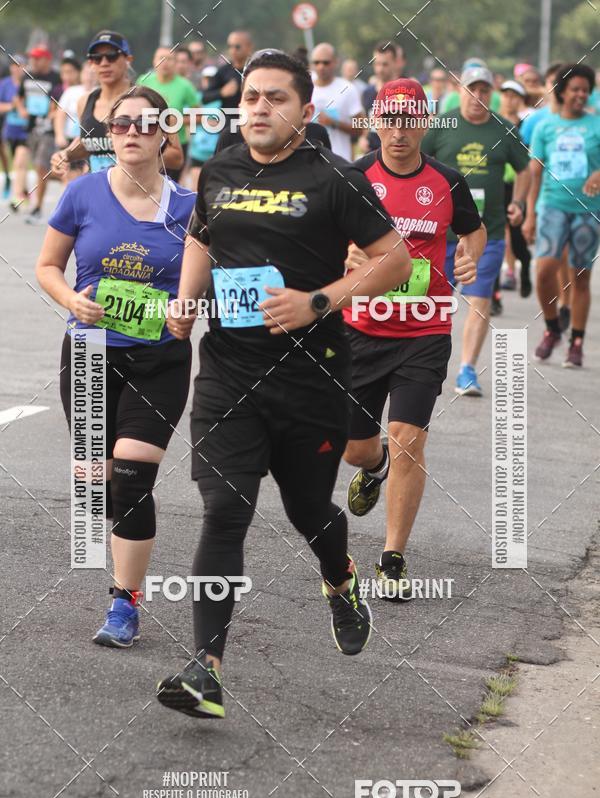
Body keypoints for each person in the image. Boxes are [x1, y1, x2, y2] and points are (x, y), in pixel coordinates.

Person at [155, 49, 411, 720]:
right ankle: (206, 670)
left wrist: (318, 302)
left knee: (308, 512)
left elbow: (396, 261)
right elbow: (201, 238)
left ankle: (340, 578)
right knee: (225, 509)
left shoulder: (336, 178)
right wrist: (187, 299)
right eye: (251, 97)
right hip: (229, 374)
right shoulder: (220, 168)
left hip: (313, 378)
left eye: (275, 98)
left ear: (306, 110)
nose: (259, 108)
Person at [36, 87, 195, 647]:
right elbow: (48, 266)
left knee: (130, 481)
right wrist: (70, 299)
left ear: (163, 135)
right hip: (88, 354)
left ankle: (124, 604)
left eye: (144, 123)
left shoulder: (189, 209)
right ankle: (100, 494)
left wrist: (187, 310)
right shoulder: (82, 194)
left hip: (159, 360)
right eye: (121, 123)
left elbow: (210, 288)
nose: (131, 131)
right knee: (94, 486)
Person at [342, 79, 485, 598]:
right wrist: (346, 256)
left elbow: (473, 228)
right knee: (355, 450)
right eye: (390, 120)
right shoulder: (354, 176)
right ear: (375, 121)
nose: (398, 132)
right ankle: (372, 465)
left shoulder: (447, 180)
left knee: (409, 438)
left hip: (424, 329)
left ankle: (392, 557)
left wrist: (469, 255)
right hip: (359, 329)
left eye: (409, 121)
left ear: (425, 124)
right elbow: (325, 232)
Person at [422, 66, 529, 396]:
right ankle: (423, 365)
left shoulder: (504, 129)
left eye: (484, 90)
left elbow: (525, 169)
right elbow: (417, 162)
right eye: (472, 89)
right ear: (461, 90)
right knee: (433, 302)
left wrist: (520, 203)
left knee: (479, 300)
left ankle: (467, 369)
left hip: (488, 232)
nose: (478, 96)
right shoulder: (442, 125)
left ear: (491, 92)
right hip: (442, 234)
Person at [523, 64, 600, 368]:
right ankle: (553, 327)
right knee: (544, 271)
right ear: (562, 92)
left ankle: (577, 341)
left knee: (581, 277)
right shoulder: (545, 126)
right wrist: (530, 215)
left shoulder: (597, 125)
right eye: (575, 89)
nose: (580, 95)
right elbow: (535, 172)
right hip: (552, 206)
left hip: (588, 209)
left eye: (585, 90)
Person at [51, 31, 183, 179]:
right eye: (97, 58)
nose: (104, 63)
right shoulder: (85, 101)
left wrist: (142, 157)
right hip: (100, 190)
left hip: (138, 191)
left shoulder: (149, 101)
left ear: (128, 59)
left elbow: (176, 157)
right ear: (91, 64)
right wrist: (66, 155)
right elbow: (90, 143)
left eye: (112, 56)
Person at [137, 46, 199, 182]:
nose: (165, 63)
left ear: (176, 63)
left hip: (175, 144)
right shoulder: (143, 80)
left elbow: (199, 115)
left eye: (169, 59)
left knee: (169, 186)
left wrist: (174, 121)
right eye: (161, 58)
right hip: (146, 140)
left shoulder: (185, 86)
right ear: (154, 61)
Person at [15, 46, 62, 224]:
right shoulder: (27, 76)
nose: (33, 61)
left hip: (48, 130)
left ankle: (37, 208)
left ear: (47, 60)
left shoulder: (55, 78)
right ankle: (65, 176)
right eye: (32, 58)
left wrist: (53, 113)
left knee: (41, 166)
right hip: (31, 129)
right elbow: (18, 97)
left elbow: (59, 100)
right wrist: (21, 110)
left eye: (37, 58)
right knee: (38, 167)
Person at [498, 80, 532, 298]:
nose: (510, 99)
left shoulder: (526, 125)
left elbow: (529, 161)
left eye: (514, 96)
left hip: (517, 187)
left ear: (520, 100)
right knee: (493, 239)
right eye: (506, 95)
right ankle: (494, 294)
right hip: (495, 186)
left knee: (517, 239)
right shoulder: (493, 122)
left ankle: (525, 268)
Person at [310, 43, 363, 160]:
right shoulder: (304, 87)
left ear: (335, 62)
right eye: (316, 62)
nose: (321, 67)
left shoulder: (347, 89)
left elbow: (361, 127)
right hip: (310, 162)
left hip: (339, 160)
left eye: (326, 62)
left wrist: (334, 123)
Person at [0, 54, 28, 207]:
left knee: (19, 162)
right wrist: (12, 106)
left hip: (27, 131)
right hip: (11, 130)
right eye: (14, 65)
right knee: (17, 163)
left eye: (20, 65)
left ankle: (17, 197)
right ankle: (24, 191)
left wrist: (24, 108)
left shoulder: (30, 83)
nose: (17, 69)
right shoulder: (4, 84)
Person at [361, 43, 399, 153]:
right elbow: (366, 122)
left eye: (385, 64)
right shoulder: (367, 92)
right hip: (372, 153)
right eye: (377, 64)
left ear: (395, 63)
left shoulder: (406, 91)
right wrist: (363, 139)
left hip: (396, 154)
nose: (380, 69)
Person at [202, 31, 254, 109]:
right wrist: (222, 92)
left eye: (237, 46)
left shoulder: (255, 70)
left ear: (249, 47)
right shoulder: (223, 71)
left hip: (251, 117)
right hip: (228, 117)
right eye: (230, 46)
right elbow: (205, 98)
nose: (233, 50)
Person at [53, 57, 85, 150]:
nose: (66, 76)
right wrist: (59, 135)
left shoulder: (95, 90)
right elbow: (58, 113)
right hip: (69, 138)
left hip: (86, 140)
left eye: (70, 72)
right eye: (63, 72)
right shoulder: (61, 90)